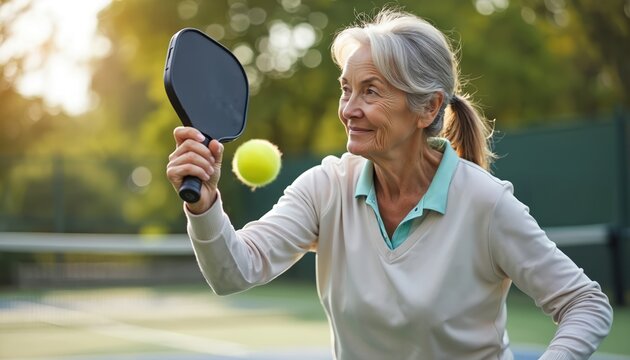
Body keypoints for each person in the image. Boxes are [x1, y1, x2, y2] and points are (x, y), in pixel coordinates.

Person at [166, 8, 612, 360]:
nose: (349, 109)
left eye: (371, 91)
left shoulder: (486, 204)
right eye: (346, 89)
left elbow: (586, 304)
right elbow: (233, 271)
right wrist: (205, 207)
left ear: (427, 107)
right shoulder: (326, 188)